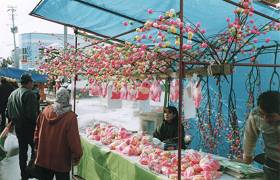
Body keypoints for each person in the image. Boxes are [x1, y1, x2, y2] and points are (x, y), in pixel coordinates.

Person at [34, 87, 82, 180]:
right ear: (68, 99)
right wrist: (77, 155)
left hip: (44, 156)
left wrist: (37, 148)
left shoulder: (45, 111)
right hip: (61, 161)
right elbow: (74, 140)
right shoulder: (70, 117)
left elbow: (36, 132)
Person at [7, 74, 39, 180]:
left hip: (18, 128)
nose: (33, 84)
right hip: (29, 127)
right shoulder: (29, 94)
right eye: (32, 82)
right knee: (37, 149)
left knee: (22, 151)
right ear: (29, 82)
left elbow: (7, 112)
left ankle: (23, 175)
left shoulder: (13, 93)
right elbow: (32, 115)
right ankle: (30, 171)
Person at [243, 91, 280, 180]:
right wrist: (247, 159)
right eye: (262, 114)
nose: (265, 119)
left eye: (270, 116)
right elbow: (249, 137)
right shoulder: (256, 115)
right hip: (271, 165)